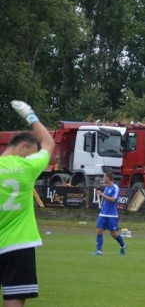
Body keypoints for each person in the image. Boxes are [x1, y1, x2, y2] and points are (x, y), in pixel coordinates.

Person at [0, 100, 55, 306]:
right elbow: (49, 143)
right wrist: (29, 114)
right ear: (23, 146)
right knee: (14, 299)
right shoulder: (27, 167)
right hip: (18, 244)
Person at [94, 171, 127, 256]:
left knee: (113, 233)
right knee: (99, 231)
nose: (103, 178)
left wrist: (102, 195)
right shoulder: (106, 188)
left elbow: (113, 200)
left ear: (108, 178)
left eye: (104, 177)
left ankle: (123, 246)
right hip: (103, 213)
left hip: (112, 215)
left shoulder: (115, 187)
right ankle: (99, 251)